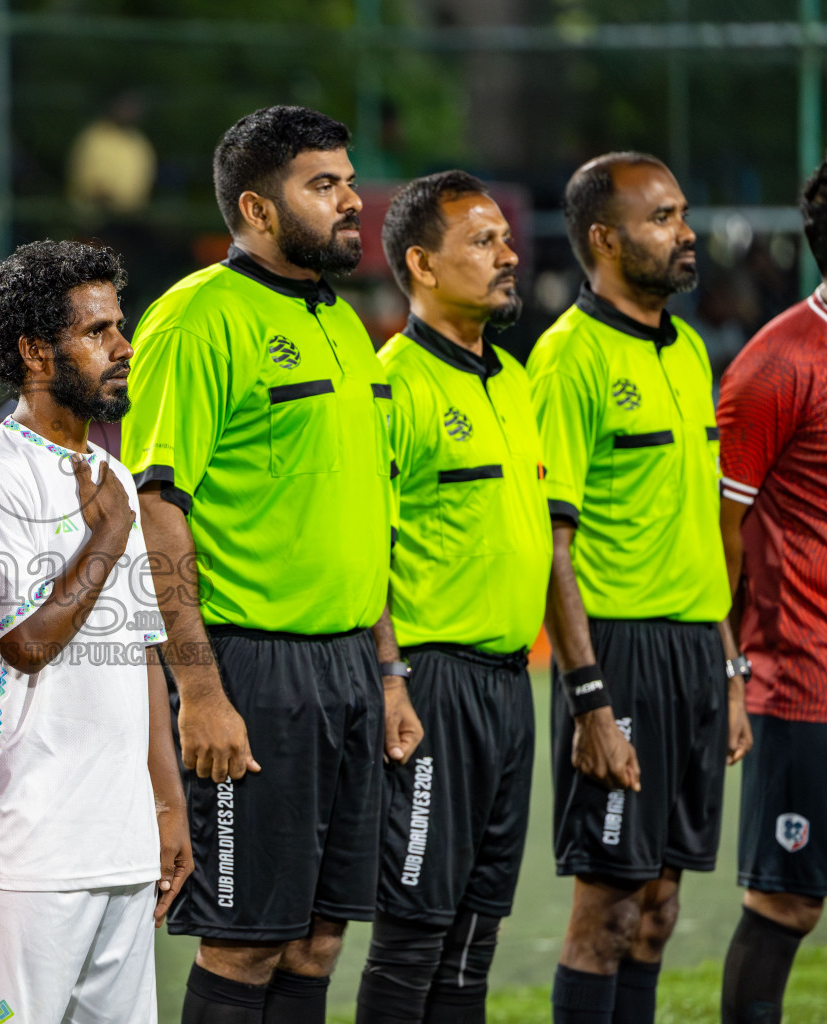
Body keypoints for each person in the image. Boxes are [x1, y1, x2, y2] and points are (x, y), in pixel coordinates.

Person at [120, 105, 423, 1024]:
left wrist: (389, 671)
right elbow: (156, 507)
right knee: (246, 940)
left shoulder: (345, 324)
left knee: (321, 935)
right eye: (322, 186)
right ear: (256, 208)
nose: (349, 202)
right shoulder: (196, 317)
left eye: (347, 180)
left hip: (348, 667)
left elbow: (359, 514)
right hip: (254, 665)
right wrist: (201, 691)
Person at [0, 241, 190, 1024]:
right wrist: (109, 537)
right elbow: (26, 644)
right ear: (36, 351)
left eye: (120, 327)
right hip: (27, 850)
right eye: (99, 332)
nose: (123, 348)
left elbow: (142, 651)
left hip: (118, 845)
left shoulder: (110, 475)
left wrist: (167, 805)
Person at [528, 152, 750, 1024]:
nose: (686, 231)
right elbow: (552, 545)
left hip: (697, 652)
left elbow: (701, 529)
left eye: (683, 213)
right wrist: (590, 701)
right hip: (618, 654)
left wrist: (728, 673)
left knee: (659, 911)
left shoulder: (692, 351)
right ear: (603, 239)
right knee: (607, 914)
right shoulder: (568, 359)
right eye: (662, 218)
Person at [355, 171, 551, 1023]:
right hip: (434, 688)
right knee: (413, 937)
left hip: (513, 687)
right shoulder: (391, 384)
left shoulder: (512, 378)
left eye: (507, 239)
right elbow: (368, 549)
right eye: (483, 241)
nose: (508, 255)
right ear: (423, 266)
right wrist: (394, 678)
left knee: (476, 939)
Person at [717, 158, 827, 1024]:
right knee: (785, 904)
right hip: (804, 688)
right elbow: (720, 538)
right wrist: (729, 674)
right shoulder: (777, 364)